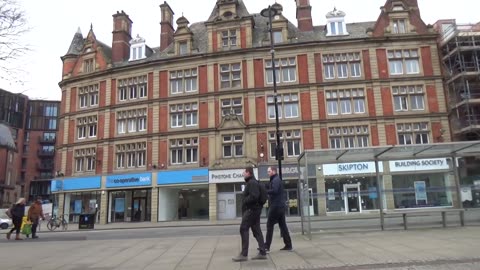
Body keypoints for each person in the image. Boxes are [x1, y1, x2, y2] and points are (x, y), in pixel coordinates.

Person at [232, 167, 267, 262]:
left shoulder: (252, 183)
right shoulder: (253, 182)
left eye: (244, 172)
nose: (243, 173)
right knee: (256, 230)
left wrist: (244, 201)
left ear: (248, 173)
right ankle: (262, 252)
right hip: (255, 210)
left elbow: (254, 196)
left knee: (243, 228)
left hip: (251, 210)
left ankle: (244, 254)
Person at [265, 166, 293, 252]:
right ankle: (288, 245)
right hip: (280, 206)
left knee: (269, 225)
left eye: (269, 171)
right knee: (283, 226)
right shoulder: (275, 180)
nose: (268, 173)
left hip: (276, 206)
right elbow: (274, 189)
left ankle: (266, 247)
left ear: (273, 171)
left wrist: (265, 191)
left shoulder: (276, 180)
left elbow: (275, 190)